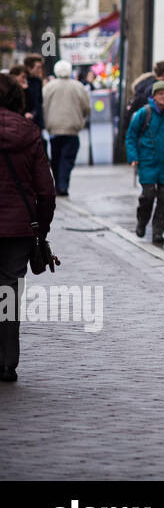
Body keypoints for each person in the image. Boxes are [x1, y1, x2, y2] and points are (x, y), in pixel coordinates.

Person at [0, 72, 56, 382]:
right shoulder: (30, 133)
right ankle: (8, 362)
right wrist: (41, 230)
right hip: (18, 227)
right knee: (8, 291)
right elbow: (46, 191)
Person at [125, 79, 164, 246]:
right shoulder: (144, 113)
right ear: (154, 96)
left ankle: (158, 231)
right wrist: (133, 156)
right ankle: (142, 222)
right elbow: (131, 135)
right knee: (148, 195)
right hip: (148, 161)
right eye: (160, 94)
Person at [42, 60, 91, 196]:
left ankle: (58, 184)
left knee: (56, 158)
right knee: (67, 159)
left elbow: (43, 105)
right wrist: (83, 116)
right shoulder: (78, 86)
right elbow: (86, 107)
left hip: (54, 128)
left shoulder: (49, 87)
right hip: (72, 128)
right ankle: (62, 184)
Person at [22, 55, 45, 132]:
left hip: (37, 122)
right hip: (24, 121)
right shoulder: (21, 80)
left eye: (41, 67)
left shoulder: (38, 81)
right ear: (29, 67)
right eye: (38, 67)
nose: (40, 70)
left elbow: (40, 101)